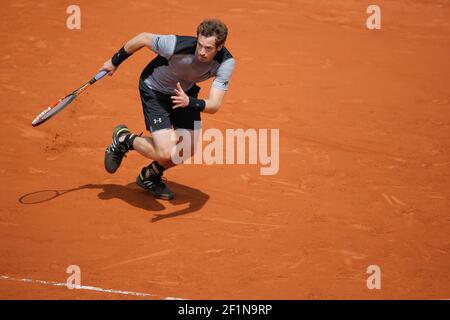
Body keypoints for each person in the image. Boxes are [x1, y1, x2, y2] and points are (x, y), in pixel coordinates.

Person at [100, 19, 235, 200]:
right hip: (154, 90)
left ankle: (150, 175)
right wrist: (115, 60)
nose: (202, 52)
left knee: (187, 149)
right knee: (164, 152)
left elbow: (215, 105)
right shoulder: (175, 45)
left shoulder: (226, 62)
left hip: (183, 96)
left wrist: (189, 102)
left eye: (208, 48)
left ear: (220, 46)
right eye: (200, 45)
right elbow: (143, 38)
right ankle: (124, 139)